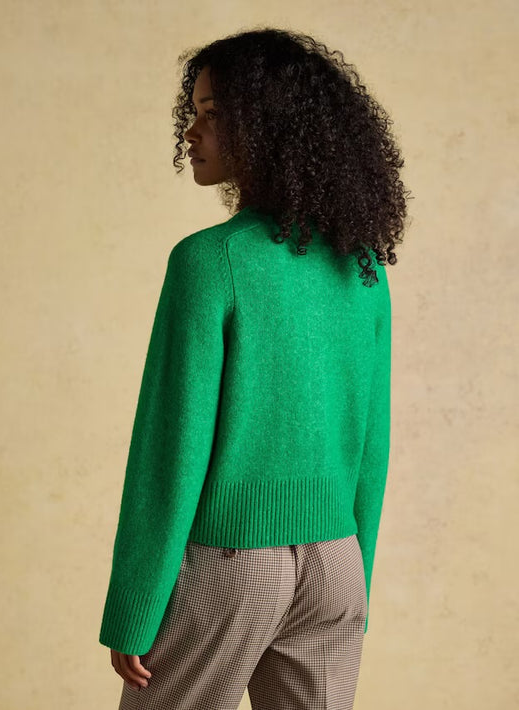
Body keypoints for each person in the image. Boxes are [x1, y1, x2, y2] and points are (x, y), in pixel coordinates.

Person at [99, 26, 410, 710]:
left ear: (266, 127)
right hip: (336, 561)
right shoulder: (362, 265)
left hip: (230, 563)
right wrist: (356, 575)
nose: (191, 131)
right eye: (194, 113)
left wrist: (133, 607)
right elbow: (371, 441)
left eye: (213, 114)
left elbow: (170, 450)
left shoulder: (210, 261)